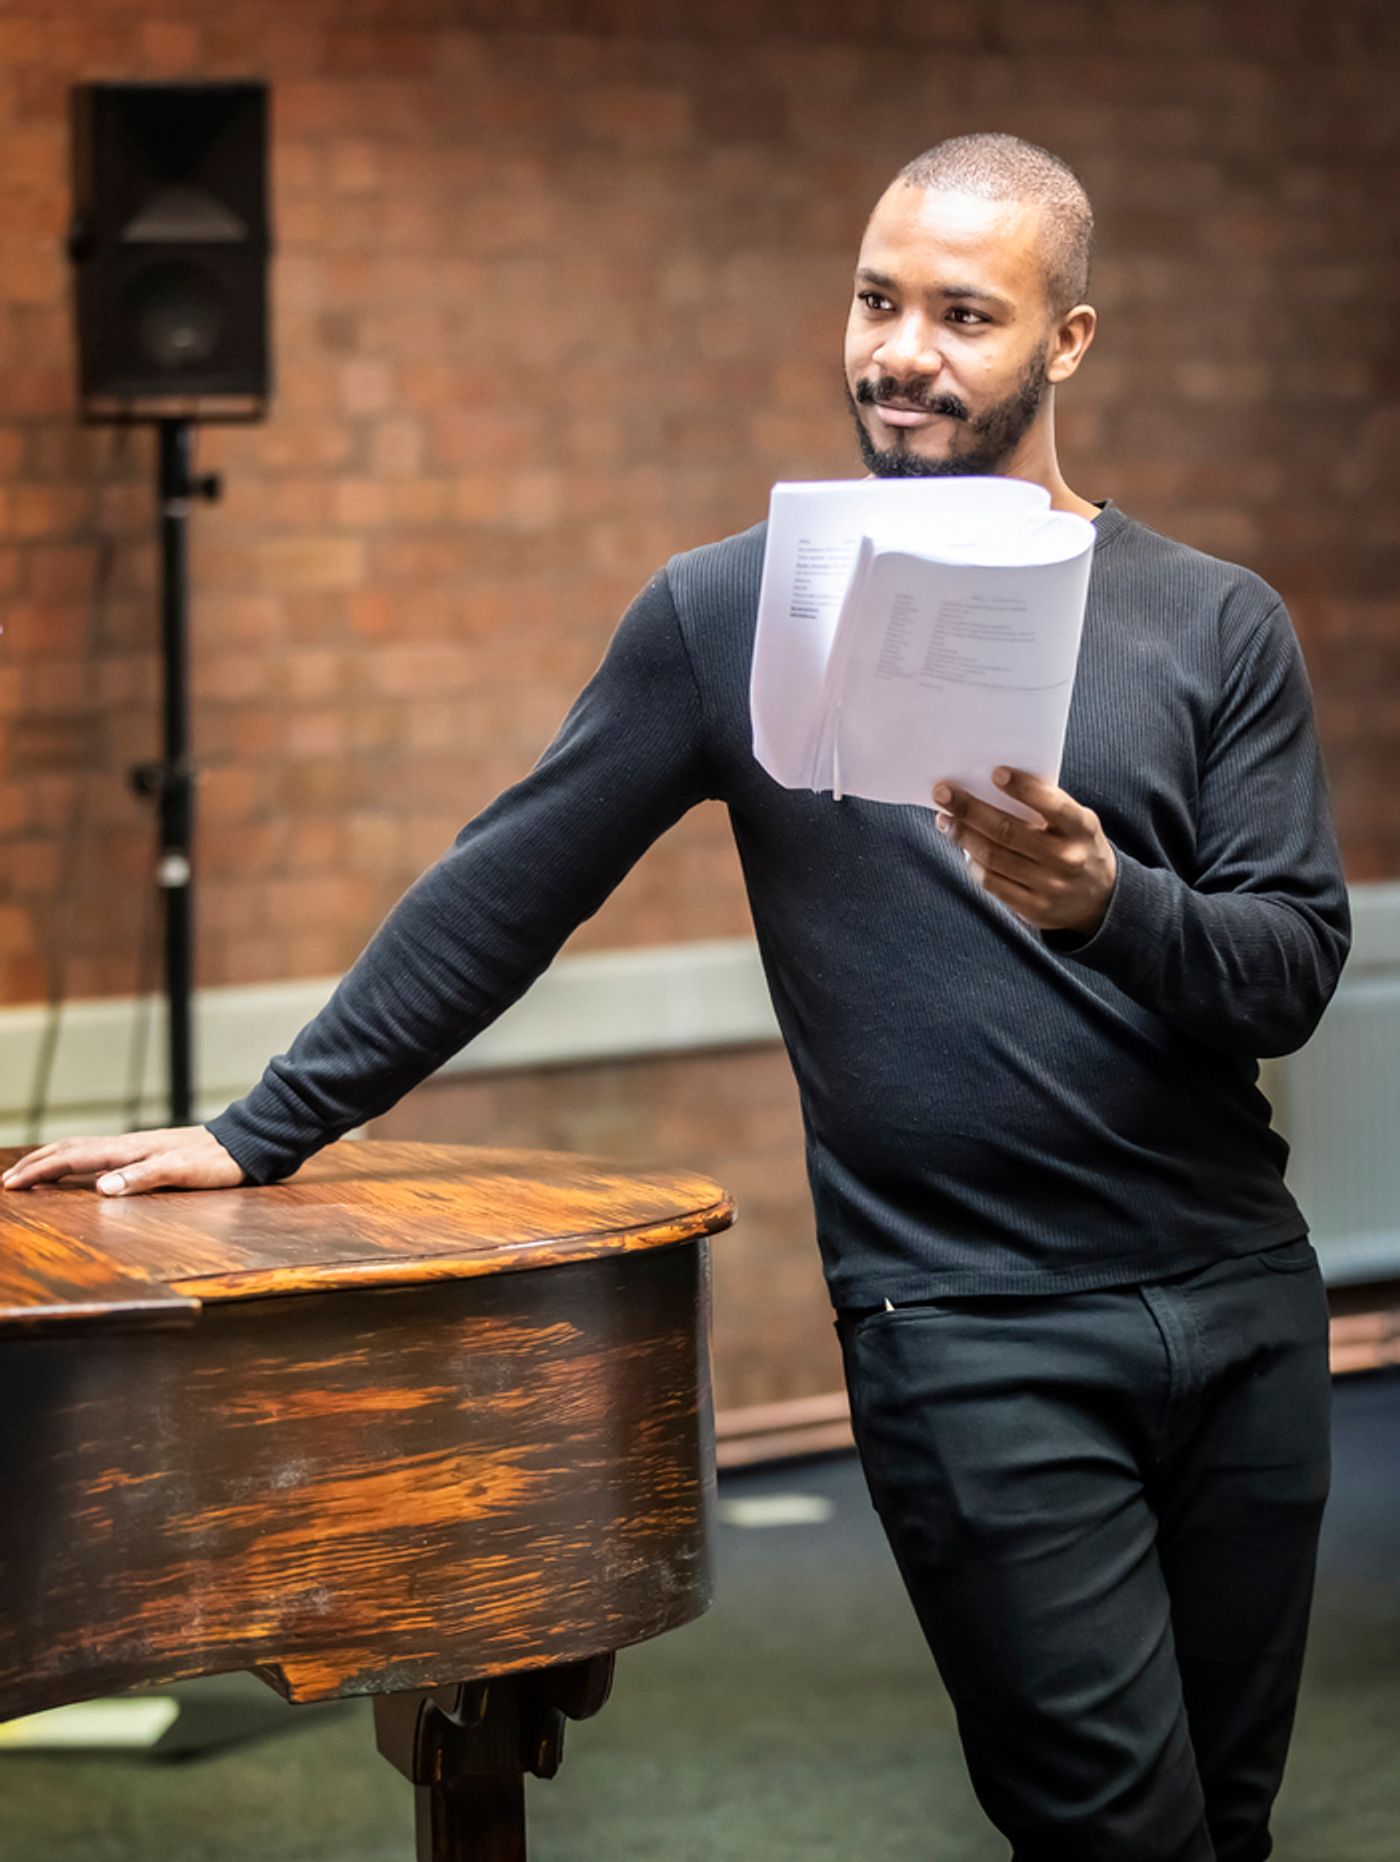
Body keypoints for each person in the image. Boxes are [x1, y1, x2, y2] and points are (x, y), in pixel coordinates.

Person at [3, 134, 1348, 1861]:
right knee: (1118, 1835)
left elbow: (1290, 967)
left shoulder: (1217, 623)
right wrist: (257, 1131)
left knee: (1230, 1824)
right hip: (971, 1330)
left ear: (1067, 341)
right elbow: (505, 888)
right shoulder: (728, 614)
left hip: (1242, 1309)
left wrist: (1109, 903)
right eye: (875, 302)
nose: (901, 352)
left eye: (962, 315)